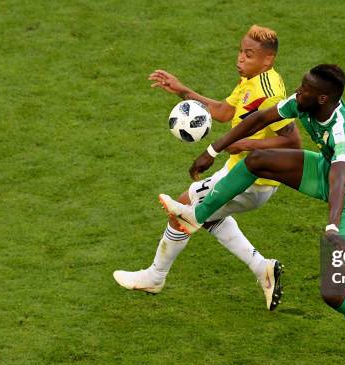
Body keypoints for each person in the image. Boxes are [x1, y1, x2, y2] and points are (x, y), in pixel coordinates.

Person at [158, 64, 345, 365]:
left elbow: (340, 179)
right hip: (328, 174)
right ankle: (196, 216)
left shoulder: (344, 130)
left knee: (333, 290)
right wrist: (212, 149)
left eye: (307, 88)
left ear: (323, 98)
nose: (300, 91)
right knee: (257, 161)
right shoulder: (303, 103)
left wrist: (332, 227)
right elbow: (260, 118)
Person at [113, 25, 300, 311]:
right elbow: (225, 113)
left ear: (267, 60)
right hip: (238, 173)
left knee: (184, 208)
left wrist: (247, 144)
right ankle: (262, 268)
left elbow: (293, 142)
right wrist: (183, 91)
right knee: (208, 216)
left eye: (248, 55)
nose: (240, 59)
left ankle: (155, 276)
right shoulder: (250, 80)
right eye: (240, 51)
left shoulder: (269, 92)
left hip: (252, 180)